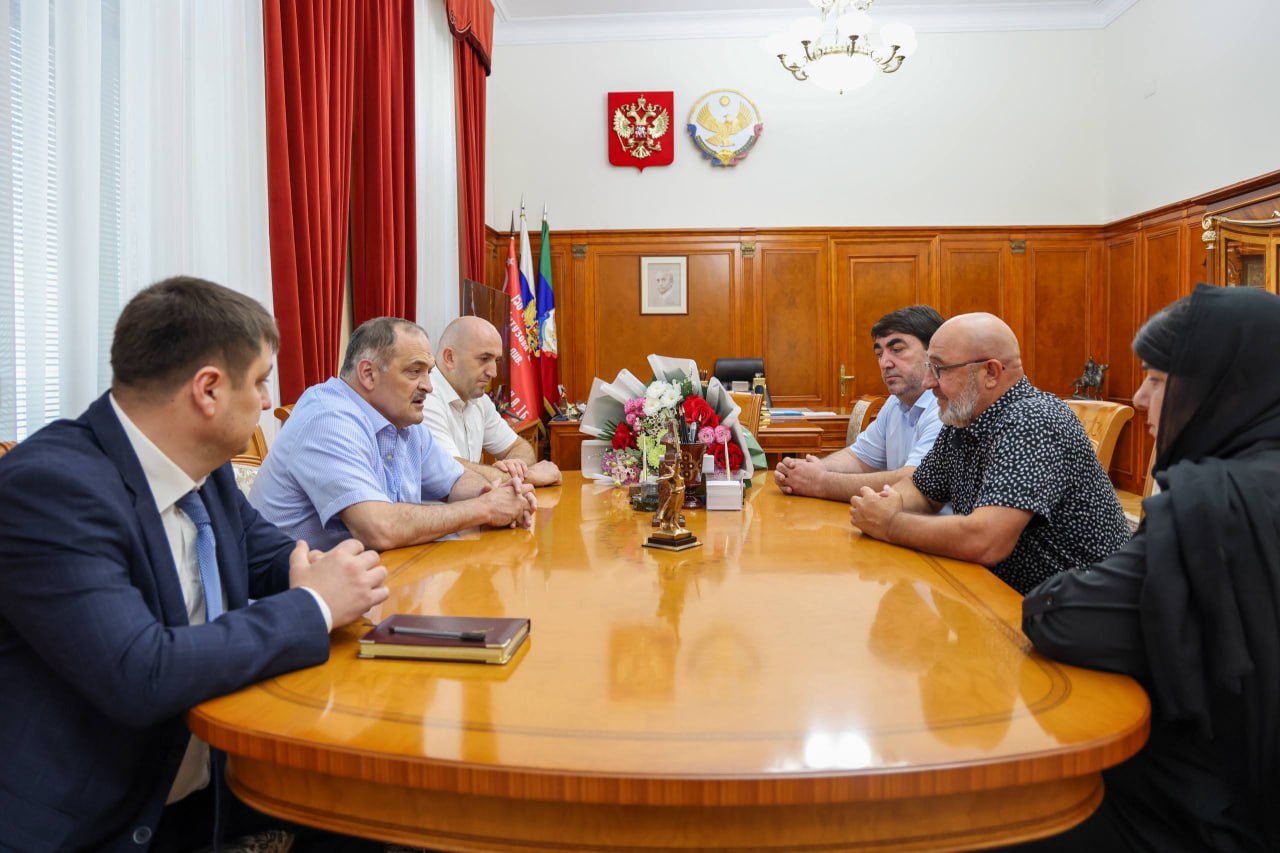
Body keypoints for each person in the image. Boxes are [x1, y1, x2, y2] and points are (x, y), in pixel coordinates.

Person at [0, 276, 389, 851]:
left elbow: (276, 556)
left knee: (373, 798)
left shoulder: (205, 469)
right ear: (208, 389)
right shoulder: (51, 489)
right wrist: (314, 605)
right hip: (96, 816)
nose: (266, 402)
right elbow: (140, 672)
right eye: (260, 382)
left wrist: (333, 575)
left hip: (206, 778)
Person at [1019, 285, 1280, 851]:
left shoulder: (1214, 502)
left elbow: (1061, 617)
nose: (1138, 399)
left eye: (1157, 381)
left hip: (1203, 816)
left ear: (1221, 390)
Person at [848, 312, 1129, 594]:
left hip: (1086, 605)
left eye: (940, 369)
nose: (928, 383)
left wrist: (890, 524)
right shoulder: (963, 416)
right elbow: (924, 491)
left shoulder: (1033, 419)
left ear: (991, 373)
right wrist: (889, 503)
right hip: (1013, 594)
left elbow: (987, 541)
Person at [251, 316, 536, 552]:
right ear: (368, 374)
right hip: (299, 594)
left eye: (429, 372)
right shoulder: (329, 418)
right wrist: (484, 508)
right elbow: (378, 529)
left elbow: (455, 481)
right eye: (415, 372)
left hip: (376, 578)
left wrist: (499, 495)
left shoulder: (404, 422)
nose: (428, 386)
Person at [774, 305, 944, 503]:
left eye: (897, 350)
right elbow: (859, 457)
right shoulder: (895, 404)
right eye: (879, 354)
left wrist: (819, 482)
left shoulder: (944, 408)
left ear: (932, 354)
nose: (885, 363)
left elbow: (916, 479)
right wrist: (812, 469)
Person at [422, 315, 561, 486]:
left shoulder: (479, 399)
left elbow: (519, 447)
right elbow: (450, 470)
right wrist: (528, 476)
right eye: (484, 359)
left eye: (496, 360)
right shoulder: (424, 396)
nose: (493, 372)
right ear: (450, 358)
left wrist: (514, 468)